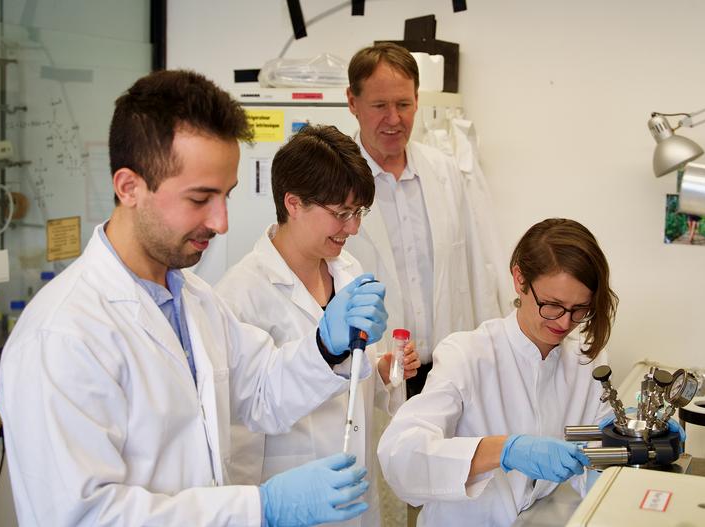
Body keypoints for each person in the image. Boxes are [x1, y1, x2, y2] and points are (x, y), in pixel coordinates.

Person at [0, 70, 390, 527]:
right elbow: (83, 517)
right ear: (129, 187)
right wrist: (259, 509)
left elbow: (262, 391)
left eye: (226, 196)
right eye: (201, 198)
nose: (222, 222)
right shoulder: (63, 334)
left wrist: (326, 345)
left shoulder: (193, 300)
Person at [215, 124, 420, 526]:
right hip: (289, 499)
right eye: (341, 213)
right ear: (293, 203)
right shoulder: (239, 296)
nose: (354, 228)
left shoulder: (348, 271)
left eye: (358, 212)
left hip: (353, 490)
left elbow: (353, 379)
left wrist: (381, 372)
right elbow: (241, 428)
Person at [377, 218, 620, 526]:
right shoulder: (466, 354)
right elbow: (402, 459)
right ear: (519, 279)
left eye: (580, 310)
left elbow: (599, 461)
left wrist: (631, 439)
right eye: (553, 305)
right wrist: (503, 450)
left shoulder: (588, 361)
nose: (564, 323)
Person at [344, 42, 505, 398]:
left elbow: (477, 268)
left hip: (446, 370)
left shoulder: (444, 171)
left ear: (418, 100)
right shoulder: (335, 182)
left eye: (403, 104)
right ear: (352, 103)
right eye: (379, 105)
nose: (394, 119)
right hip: (376, 374)